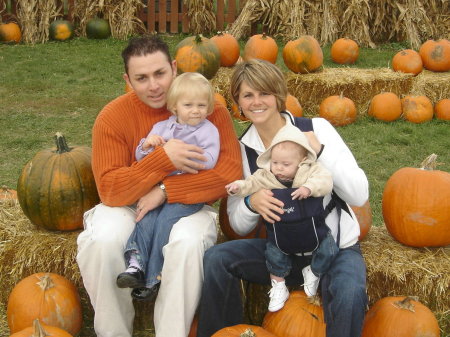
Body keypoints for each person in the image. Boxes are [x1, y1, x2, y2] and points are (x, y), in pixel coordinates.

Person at [76, 35, 242, 337]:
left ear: (174, 68)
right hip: (128, 204)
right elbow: (111, 189)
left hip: (188, 202)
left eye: (159, 74)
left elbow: (227, 174)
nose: (153, 85)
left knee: (188, 243)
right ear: (128, 79)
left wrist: (165, 191)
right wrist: (163, 159)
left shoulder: (205, 107)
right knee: (101, 240)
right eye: (141, 78)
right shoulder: (112, 118)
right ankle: (113, 333)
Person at [197, 59, 369, 337]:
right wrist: (253, 203)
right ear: (237, 102)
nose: (257, 102)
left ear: (278, 96)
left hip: (333, 248)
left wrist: (320, 151)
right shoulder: (242, 150)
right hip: (282, 252)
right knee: (218, 258)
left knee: (349, 295)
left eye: (264, 93)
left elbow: (359, 195)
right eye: (247, 95)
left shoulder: (316, 128)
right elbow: (237, 225)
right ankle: (223, 332)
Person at [116, 72, 221, 300]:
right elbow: (141, 156)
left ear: (209, 107)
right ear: (174, 107)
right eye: (189, 105)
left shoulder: (208, 131)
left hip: (188, 194)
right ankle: (135, 264)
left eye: (202, 105)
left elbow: (211, 159)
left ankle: (154, 278)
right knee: (146, 216)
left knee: (165, 222)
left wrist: (181, 154)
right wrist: (149, 146)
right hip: (156, 192)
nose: (196, 110)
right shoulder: (161, 128)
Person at [225, 123, 334, 311]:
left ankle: (313, 270)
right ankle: (278, 285)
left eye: (285, 165)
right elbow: (251, 183)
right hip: (280, 232)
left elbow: (325, 181)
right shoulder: (267, 175)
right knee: (274, 255)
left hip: (312, 229)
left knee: (329, 249)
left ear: (302, 161)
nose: (279, 169)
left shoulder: (311, 170)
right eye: (275, 163)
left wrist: (309, 188)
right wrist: (238, 187)